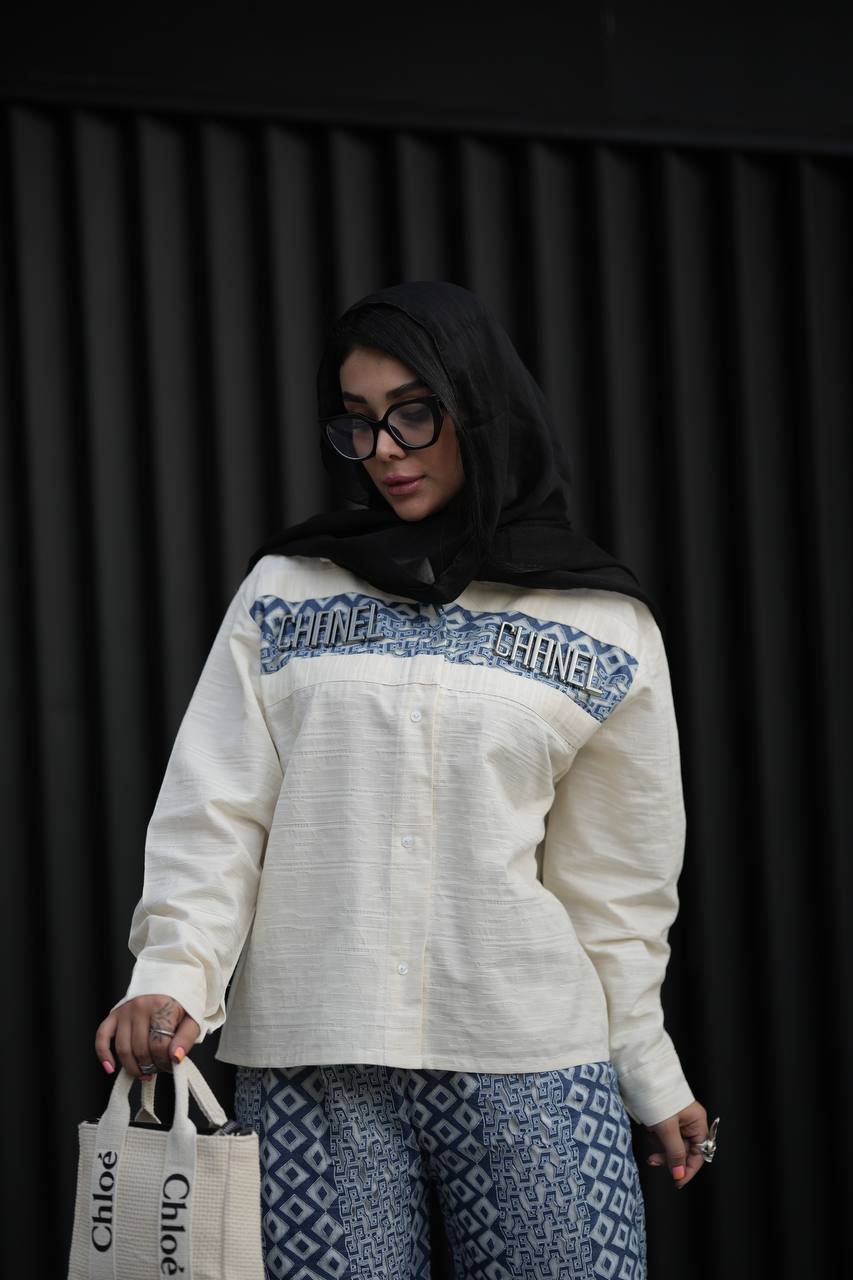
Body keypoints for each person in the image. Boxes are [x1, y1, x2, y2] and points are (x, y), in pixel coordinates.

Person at [95, 280, 716, 1279]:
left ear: (481, 408)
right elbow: (218, 809)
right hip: (312, 1064)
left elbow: (618, 889)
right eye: (357, 422)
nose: (383, 449)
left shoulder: (602, 623)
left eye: (413, 414)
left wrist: (650, 1068)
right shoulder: (287, 589)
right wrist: (172, 974)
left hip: (530, 1062)